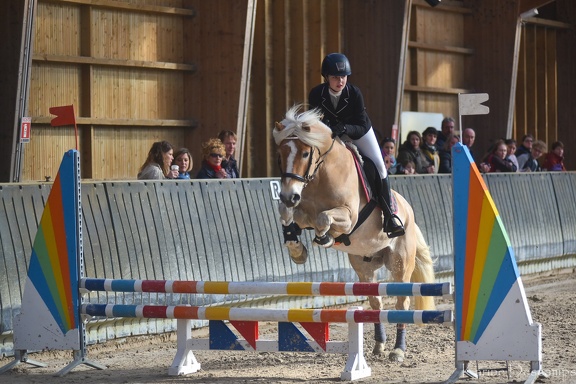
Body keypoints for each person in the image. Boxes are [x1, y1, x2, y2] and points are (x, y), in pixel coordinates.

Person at [308, 52, 404, 238]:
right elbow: (313, 122)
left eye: (343, 77)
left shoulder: (354, 93)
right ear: (326, 77)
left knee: (379, 166)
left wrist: (344, 128)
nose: (340, 81)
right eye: (336, 77)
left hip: (358, 132)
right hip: (332, 135)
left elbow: (360, 125)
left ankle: (389, 215)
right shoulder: (316, 94)